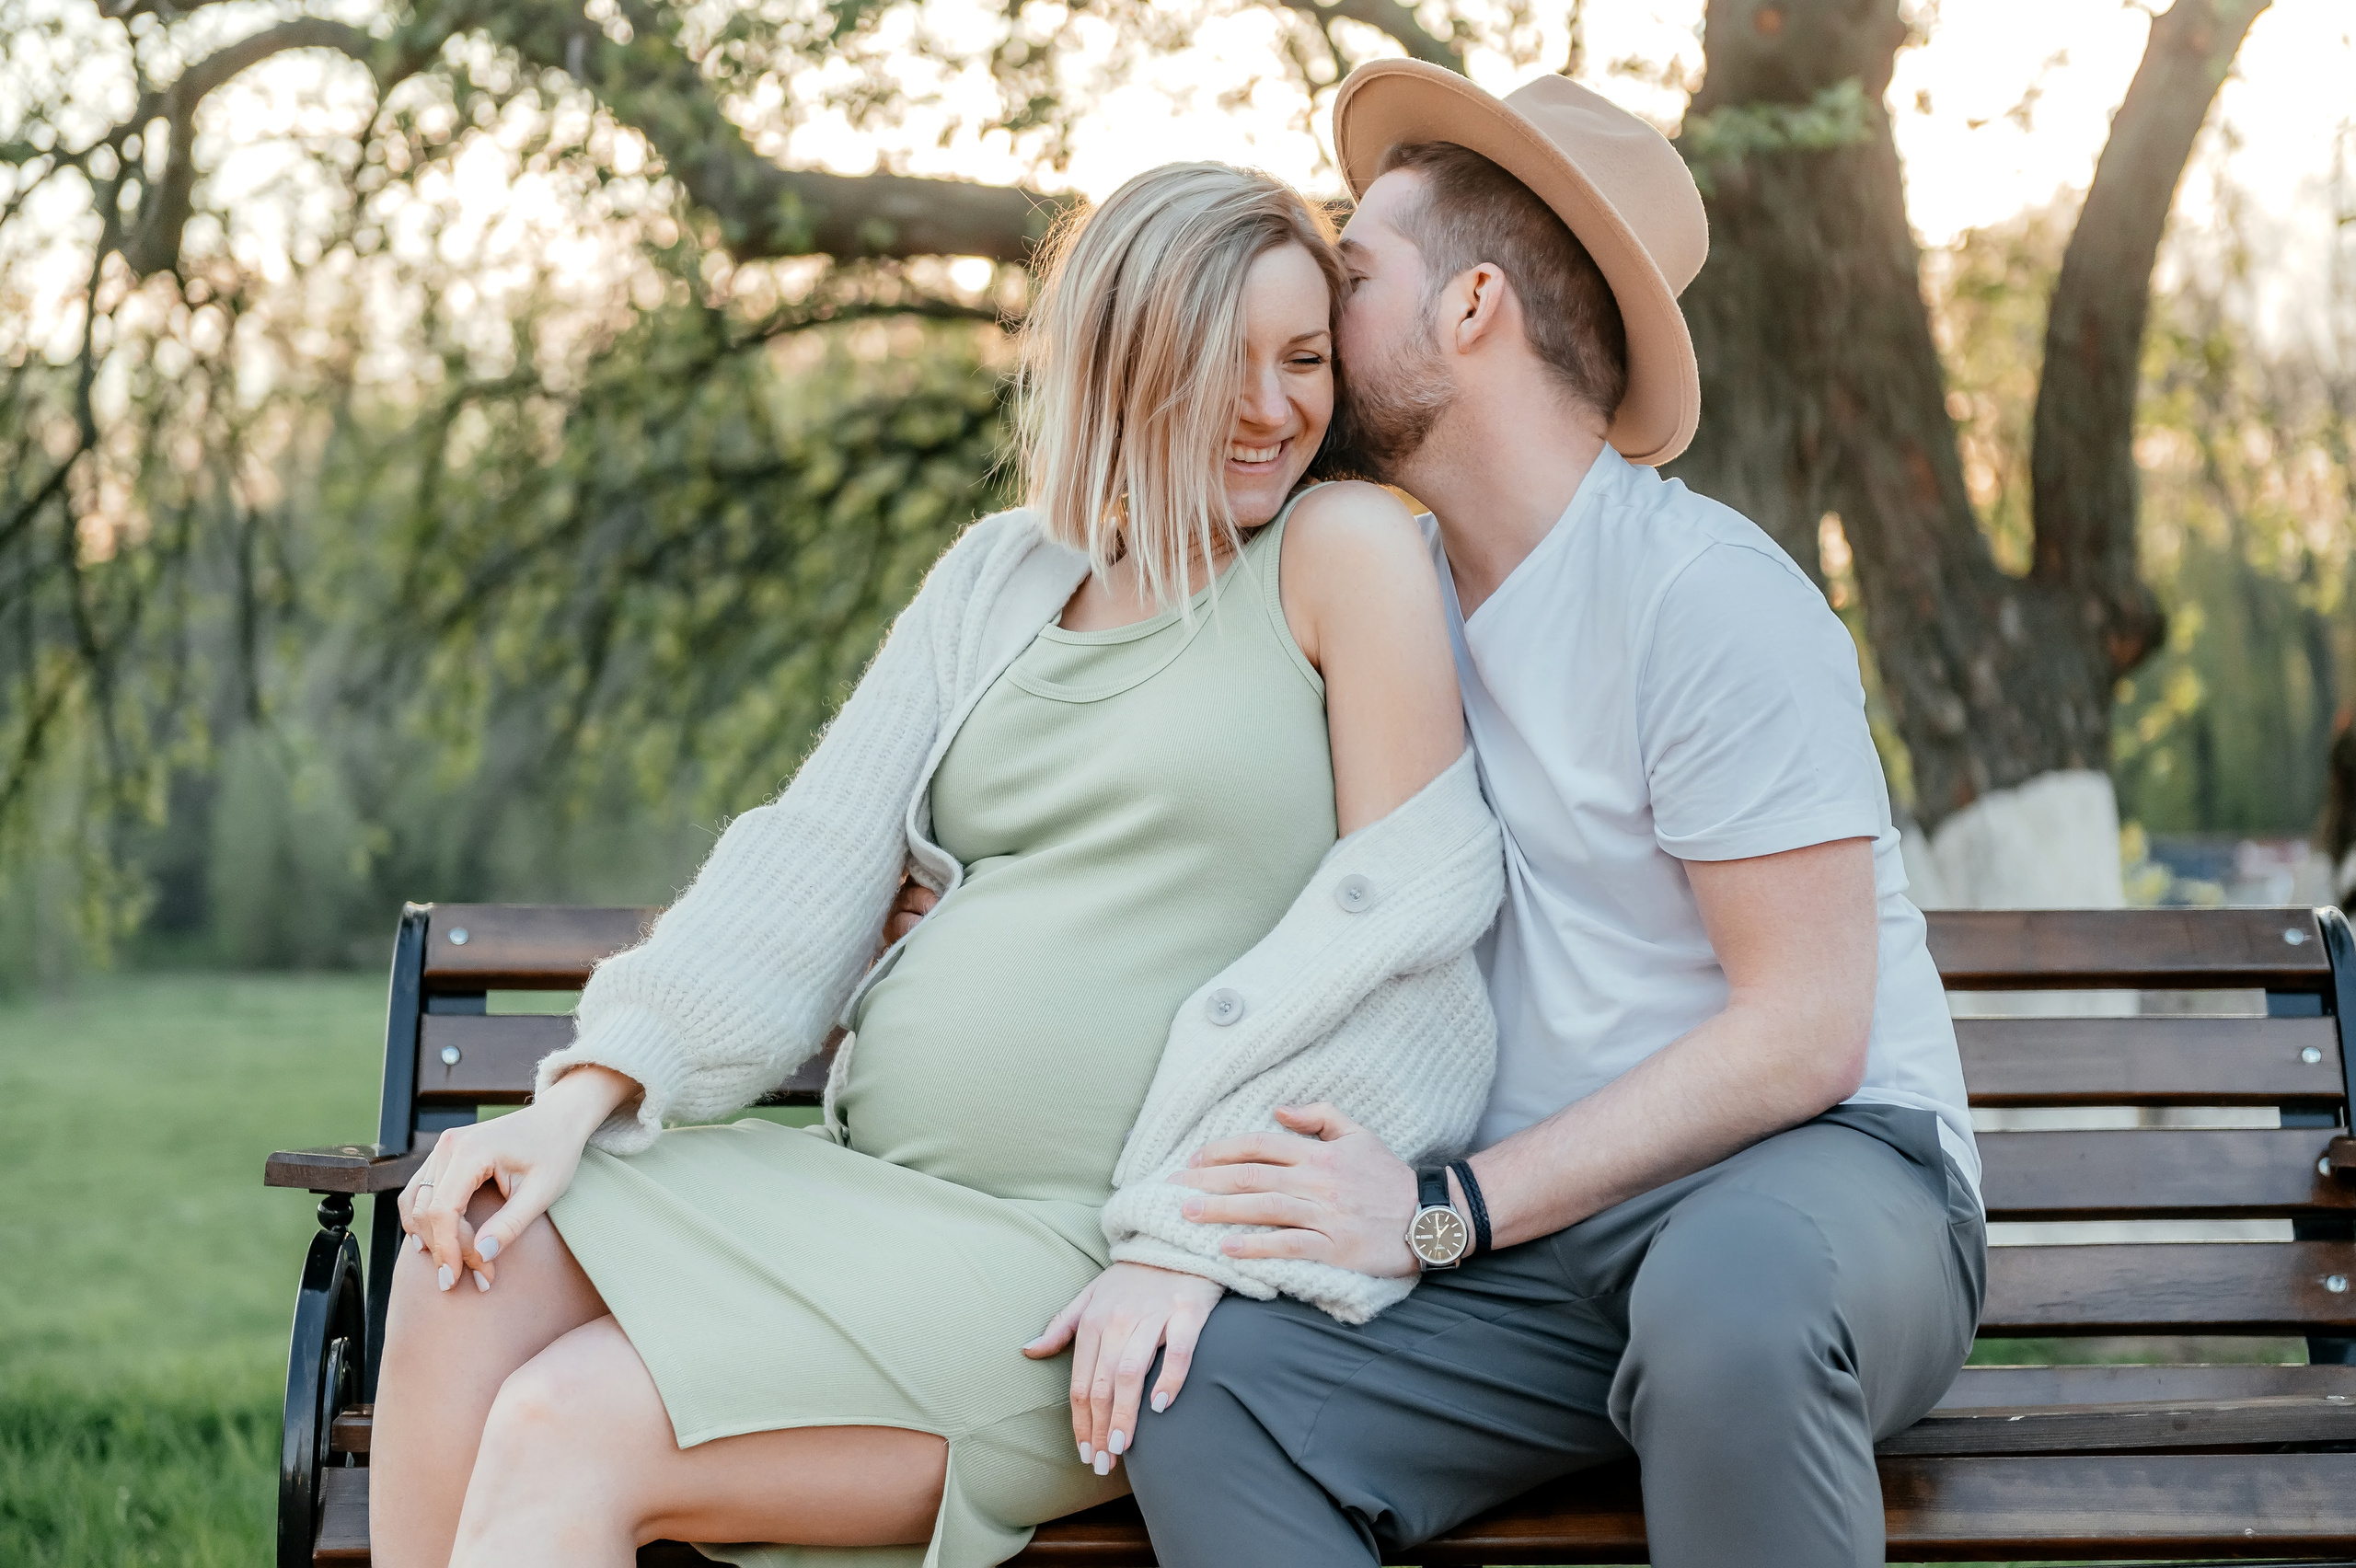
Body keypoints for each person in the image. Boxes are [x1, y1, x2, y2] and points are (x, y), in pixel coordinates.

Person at [366, 161, 1507, 1568]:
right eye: (1227, 363)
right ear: (1125, 360)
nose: (1276, 409)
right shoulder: (1002, 576)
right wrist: (579, 1100)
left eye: (1305, 359)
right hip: (870, 1198)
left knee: (565, 1428)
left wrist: (1196, 1247)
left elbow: (1403, 942)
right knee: (464, 1251)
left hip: (1091, 1264)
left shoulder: (1342, 556)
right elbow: (810, 858)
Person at [1112, 63, 1990, 1568]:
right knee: (1202, 1397)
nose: (1317, 308)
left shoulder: (1704, 597)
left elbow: (1804, 1034)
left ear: (1472, 310)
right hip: (1537, 1257)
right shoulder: (1363, 605)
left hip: (1813, 1200)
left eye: (1357, 267)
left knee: (1728, 1305)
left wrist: (1441, 1209)